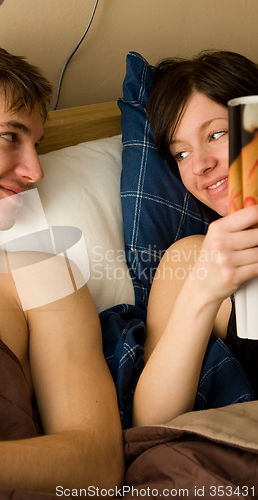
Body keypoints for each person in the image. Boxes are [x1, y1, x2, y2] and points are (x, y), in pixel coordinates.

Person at [0, 36, 124, 495]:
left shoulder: (37, 275)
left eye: (37, 145)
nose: (36, 171)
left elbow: (97, 463)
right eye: (10, 137)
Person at [133, 51, 258, 427]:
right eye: (181, 154)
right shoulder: (190, 260)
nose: (199, 165)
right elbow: (152, 422)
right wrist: (202, 293)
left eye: (216, 134)